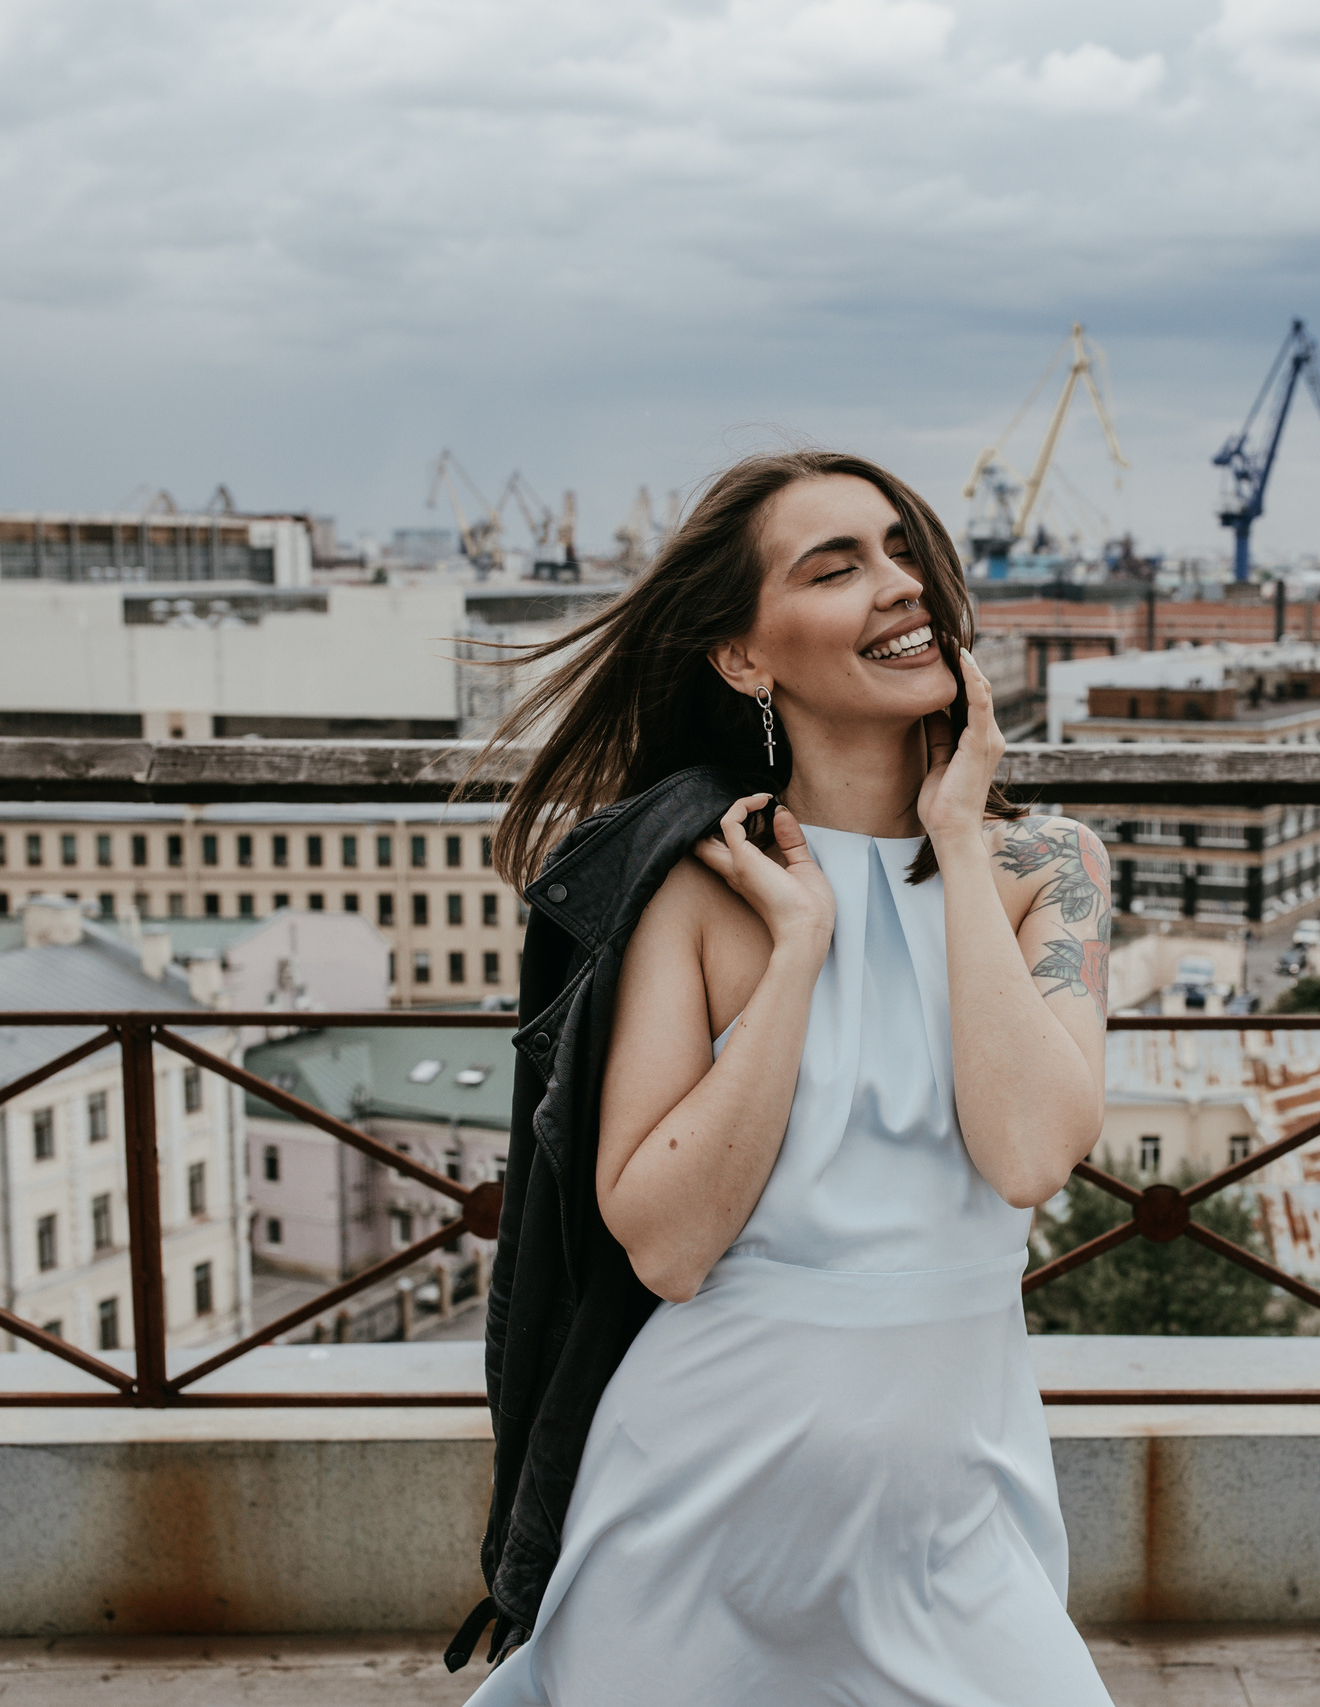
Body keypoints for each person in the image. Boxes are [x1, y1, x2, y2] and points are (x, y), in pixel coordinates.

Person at [460, 450, 1116, 1705]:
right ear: (744, 658)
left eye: (903, 549)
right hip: (700, 1505)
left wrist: (957, 841)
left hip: (955, 1511)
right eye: (837, 566)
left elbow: (1030, 1152)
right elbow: (666, 1245)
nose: (898, 586)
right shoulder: (699, 886)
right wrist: (802, 946)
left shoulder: (1050, 865)